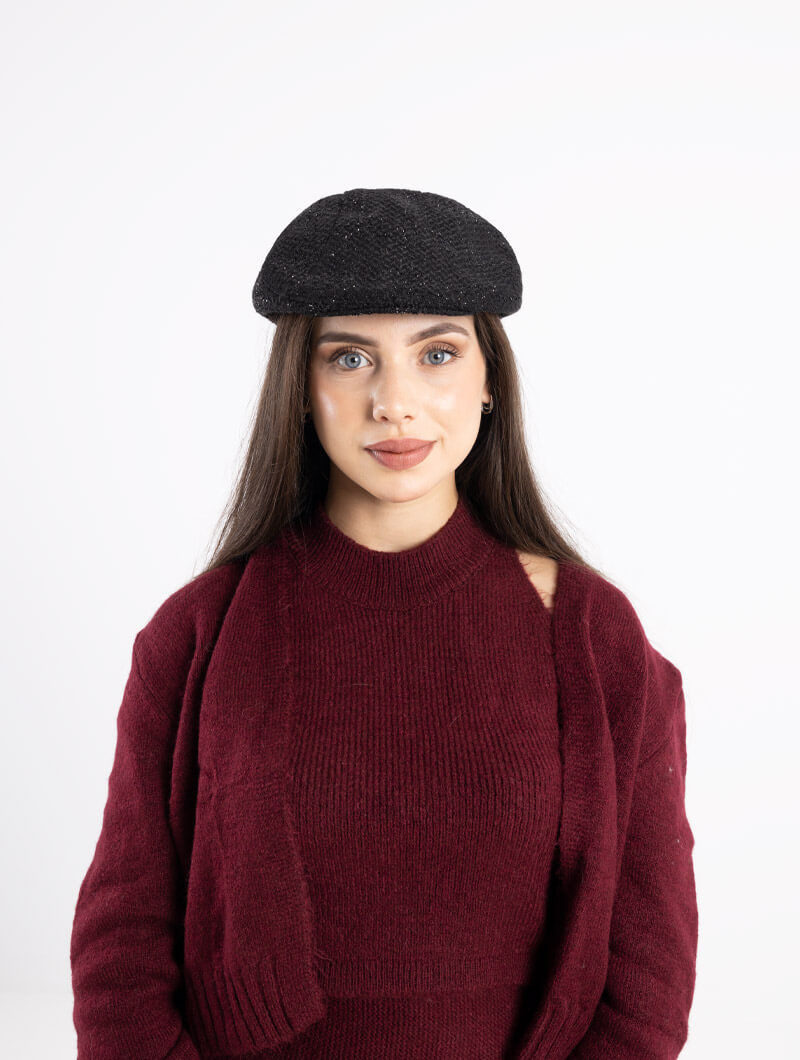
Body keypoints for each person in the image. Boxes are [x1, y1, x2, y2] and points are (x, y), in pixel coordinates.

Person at [70, 187, 698, 1060]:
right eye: (349, 359)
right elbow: (122, 946)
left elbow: (649, 962)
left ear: (489, 381)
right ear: (299, 388)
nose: (395, 403)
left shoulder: (592, 637)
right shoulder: (197, 634)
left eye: (437, 353)